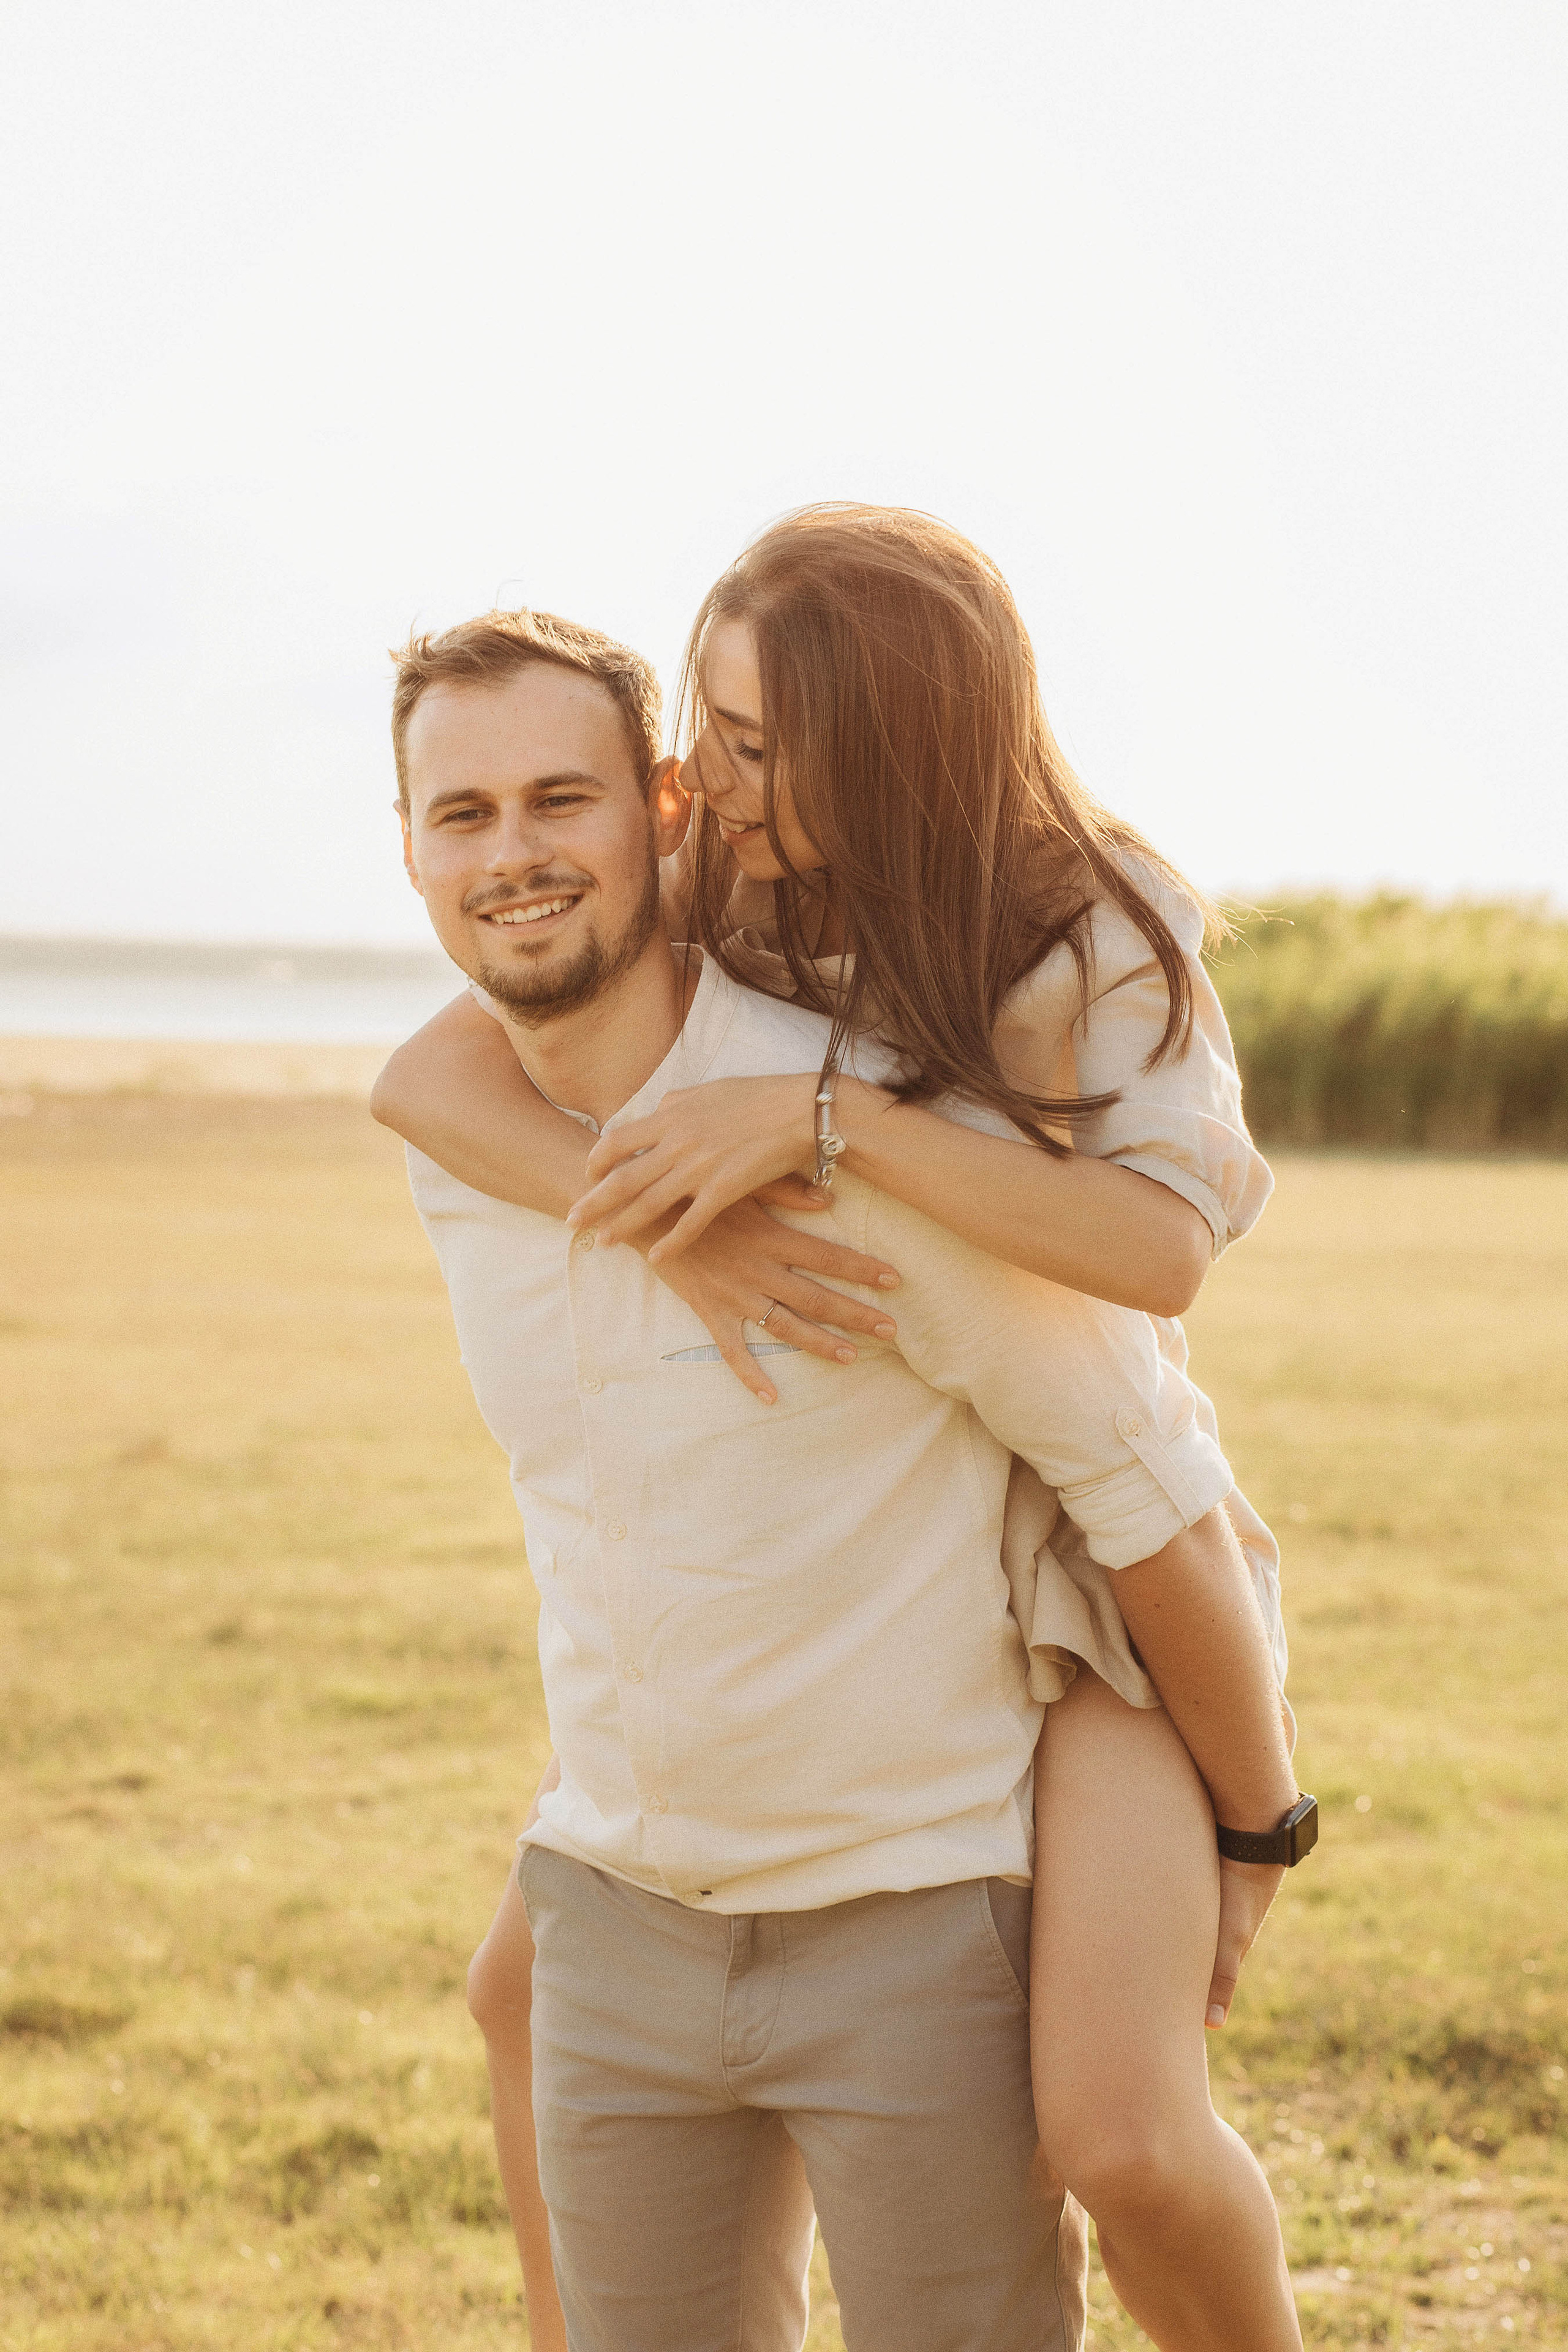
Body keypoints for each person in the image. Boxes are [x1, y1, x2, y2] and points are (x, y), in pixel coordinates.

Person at [375, 522, 1306, 2351]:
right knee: (533, 1988)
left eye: (750, 746)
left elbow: (1156, 1285)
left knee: (1117, 2130)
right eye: (706, 735)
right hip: (915, 1502)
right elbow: (427, 1070)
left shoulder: (1090, 925)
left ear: (883, 754)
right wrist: (668, 1205)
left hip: (1097, 1545)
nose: (709, 785)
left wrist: (1261, 1824)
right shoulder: (721, 872)